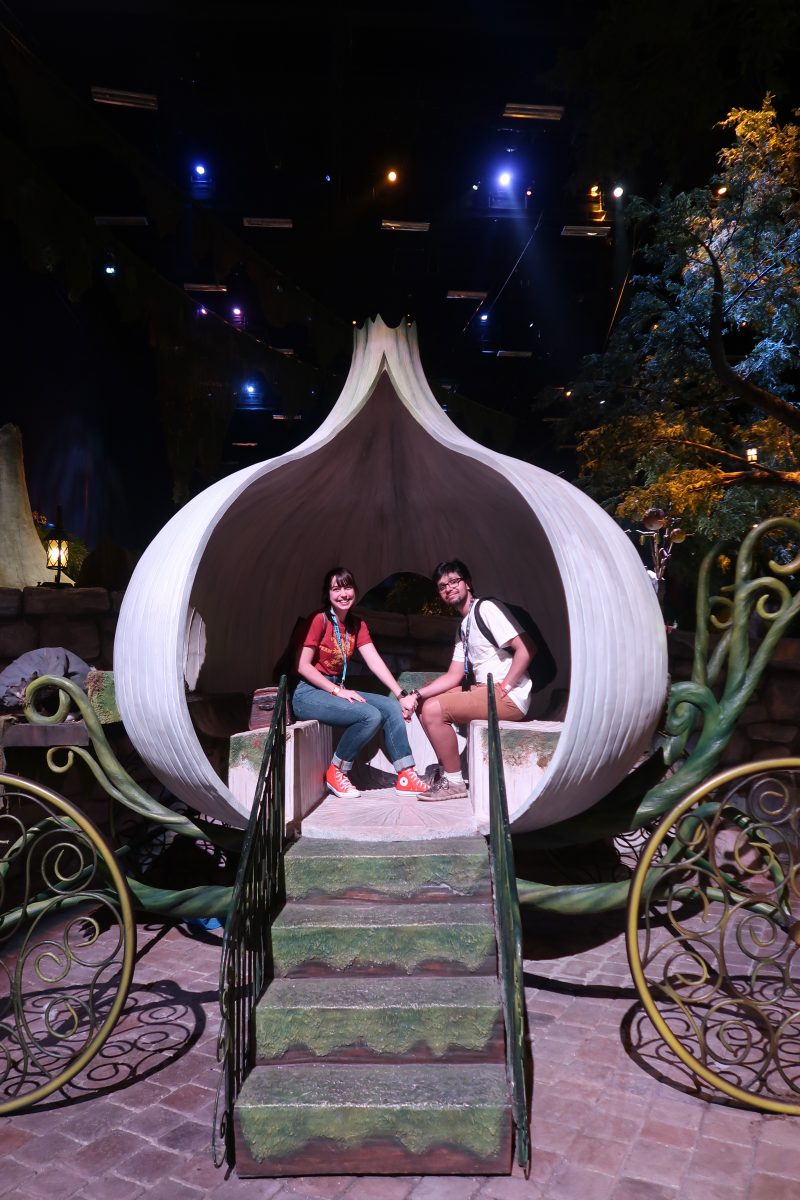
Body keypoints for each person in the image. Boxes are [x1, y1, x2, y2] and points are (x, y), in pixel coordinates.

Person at [291, 567, 433, 800]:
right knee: (369, 716)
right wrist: (337, 691)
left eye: (347, 587)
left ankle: (406, 775)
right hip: (308, 692)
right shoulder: (319, 620)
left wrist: (401, 695)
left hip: (336, 687)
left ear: (355, 590)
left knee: (390, 707)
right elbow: (302, 666)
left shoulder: (357, 625)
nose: (343, 594)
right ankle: (337, 771)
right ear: (327, 594)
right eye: (336, 589)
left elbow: (375, 662)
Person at [399, 559, 533, 799]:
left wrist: (507, 684)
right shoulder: (463, 626)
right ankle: (448, 771)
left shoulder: (486, 609)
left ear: (468, 583)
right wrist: (415, 695)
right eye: (442, 586)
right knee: (424, 702)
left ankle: (454, 782)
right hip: (484, 689)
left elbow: (526, 648)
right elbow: (454, 675)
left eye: (454, 581)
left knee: (433, 710)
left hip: (507, 695)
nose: (449, 588)